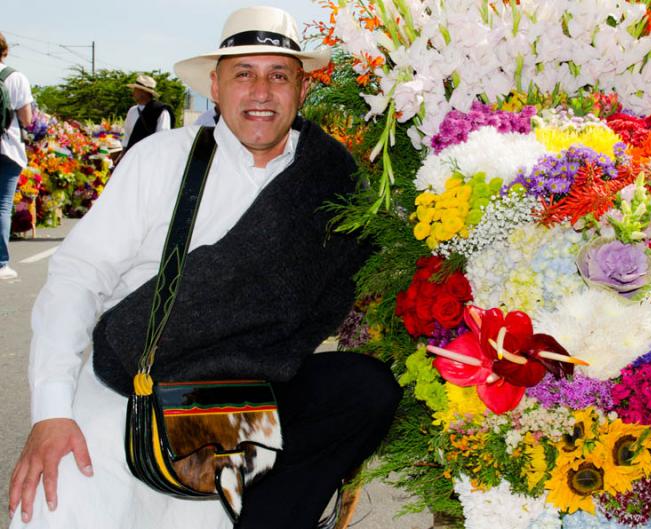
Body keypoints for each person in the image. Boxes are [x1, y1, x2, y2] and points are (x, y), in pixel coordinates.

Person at [8, 6, 401, 529]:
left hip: (249, 398)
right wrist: (52, 411)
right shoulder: (161, 160)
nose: (261, 92)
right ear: (215, 87)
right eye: (244, 74)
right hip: (133, 383)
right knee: (70, 501)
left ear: (302, 89)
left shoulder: (331, 180)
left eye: (278, 75)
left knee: (366, 388)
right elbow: (78, 276)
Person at [0, 32, 33, 281]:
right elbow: (27, 119)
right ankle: (1, 263)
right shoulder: (15, 77)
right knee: (2, 206)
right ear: (5, 51)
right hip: (7, 148)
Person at [121, 74, 175, 152]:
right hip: (132, 155)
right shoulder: (132, 111)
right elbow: (127, 136)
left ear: (143, 92)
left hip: (150, 156)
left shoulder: (160, 111)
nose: (133, 93)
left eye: (135, 89)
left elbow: (163, 137)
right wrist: (123, 153)